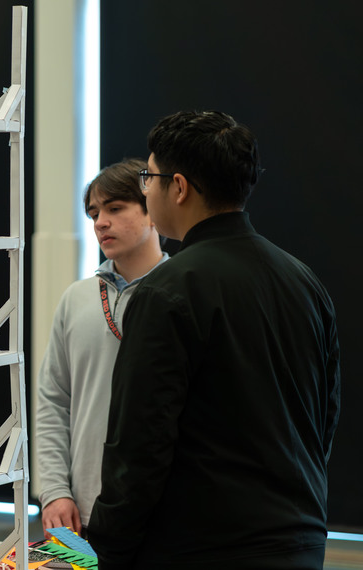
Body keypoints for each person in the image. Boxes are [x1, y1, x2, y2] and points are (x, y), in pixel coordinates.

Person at [87, 111, 340, 569]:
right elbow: (324, 416)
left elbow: (140, 444)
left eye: (148, 178)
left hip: (201, 548)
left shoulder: (167, 291)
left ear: (179, 187)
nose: (146, 189)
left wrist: (107, 549)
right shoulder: (303, 281)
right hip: (299, 540)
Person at [35, 158, 167, 538]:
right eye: (94, 213)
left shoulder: (184, 293)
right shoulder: (76, 299)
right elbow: (52, 402)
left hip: (166, 517)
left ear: (152, 211)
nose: (100, 223)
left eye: (115, 208)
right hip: (80, 513)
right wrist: (54, 491)